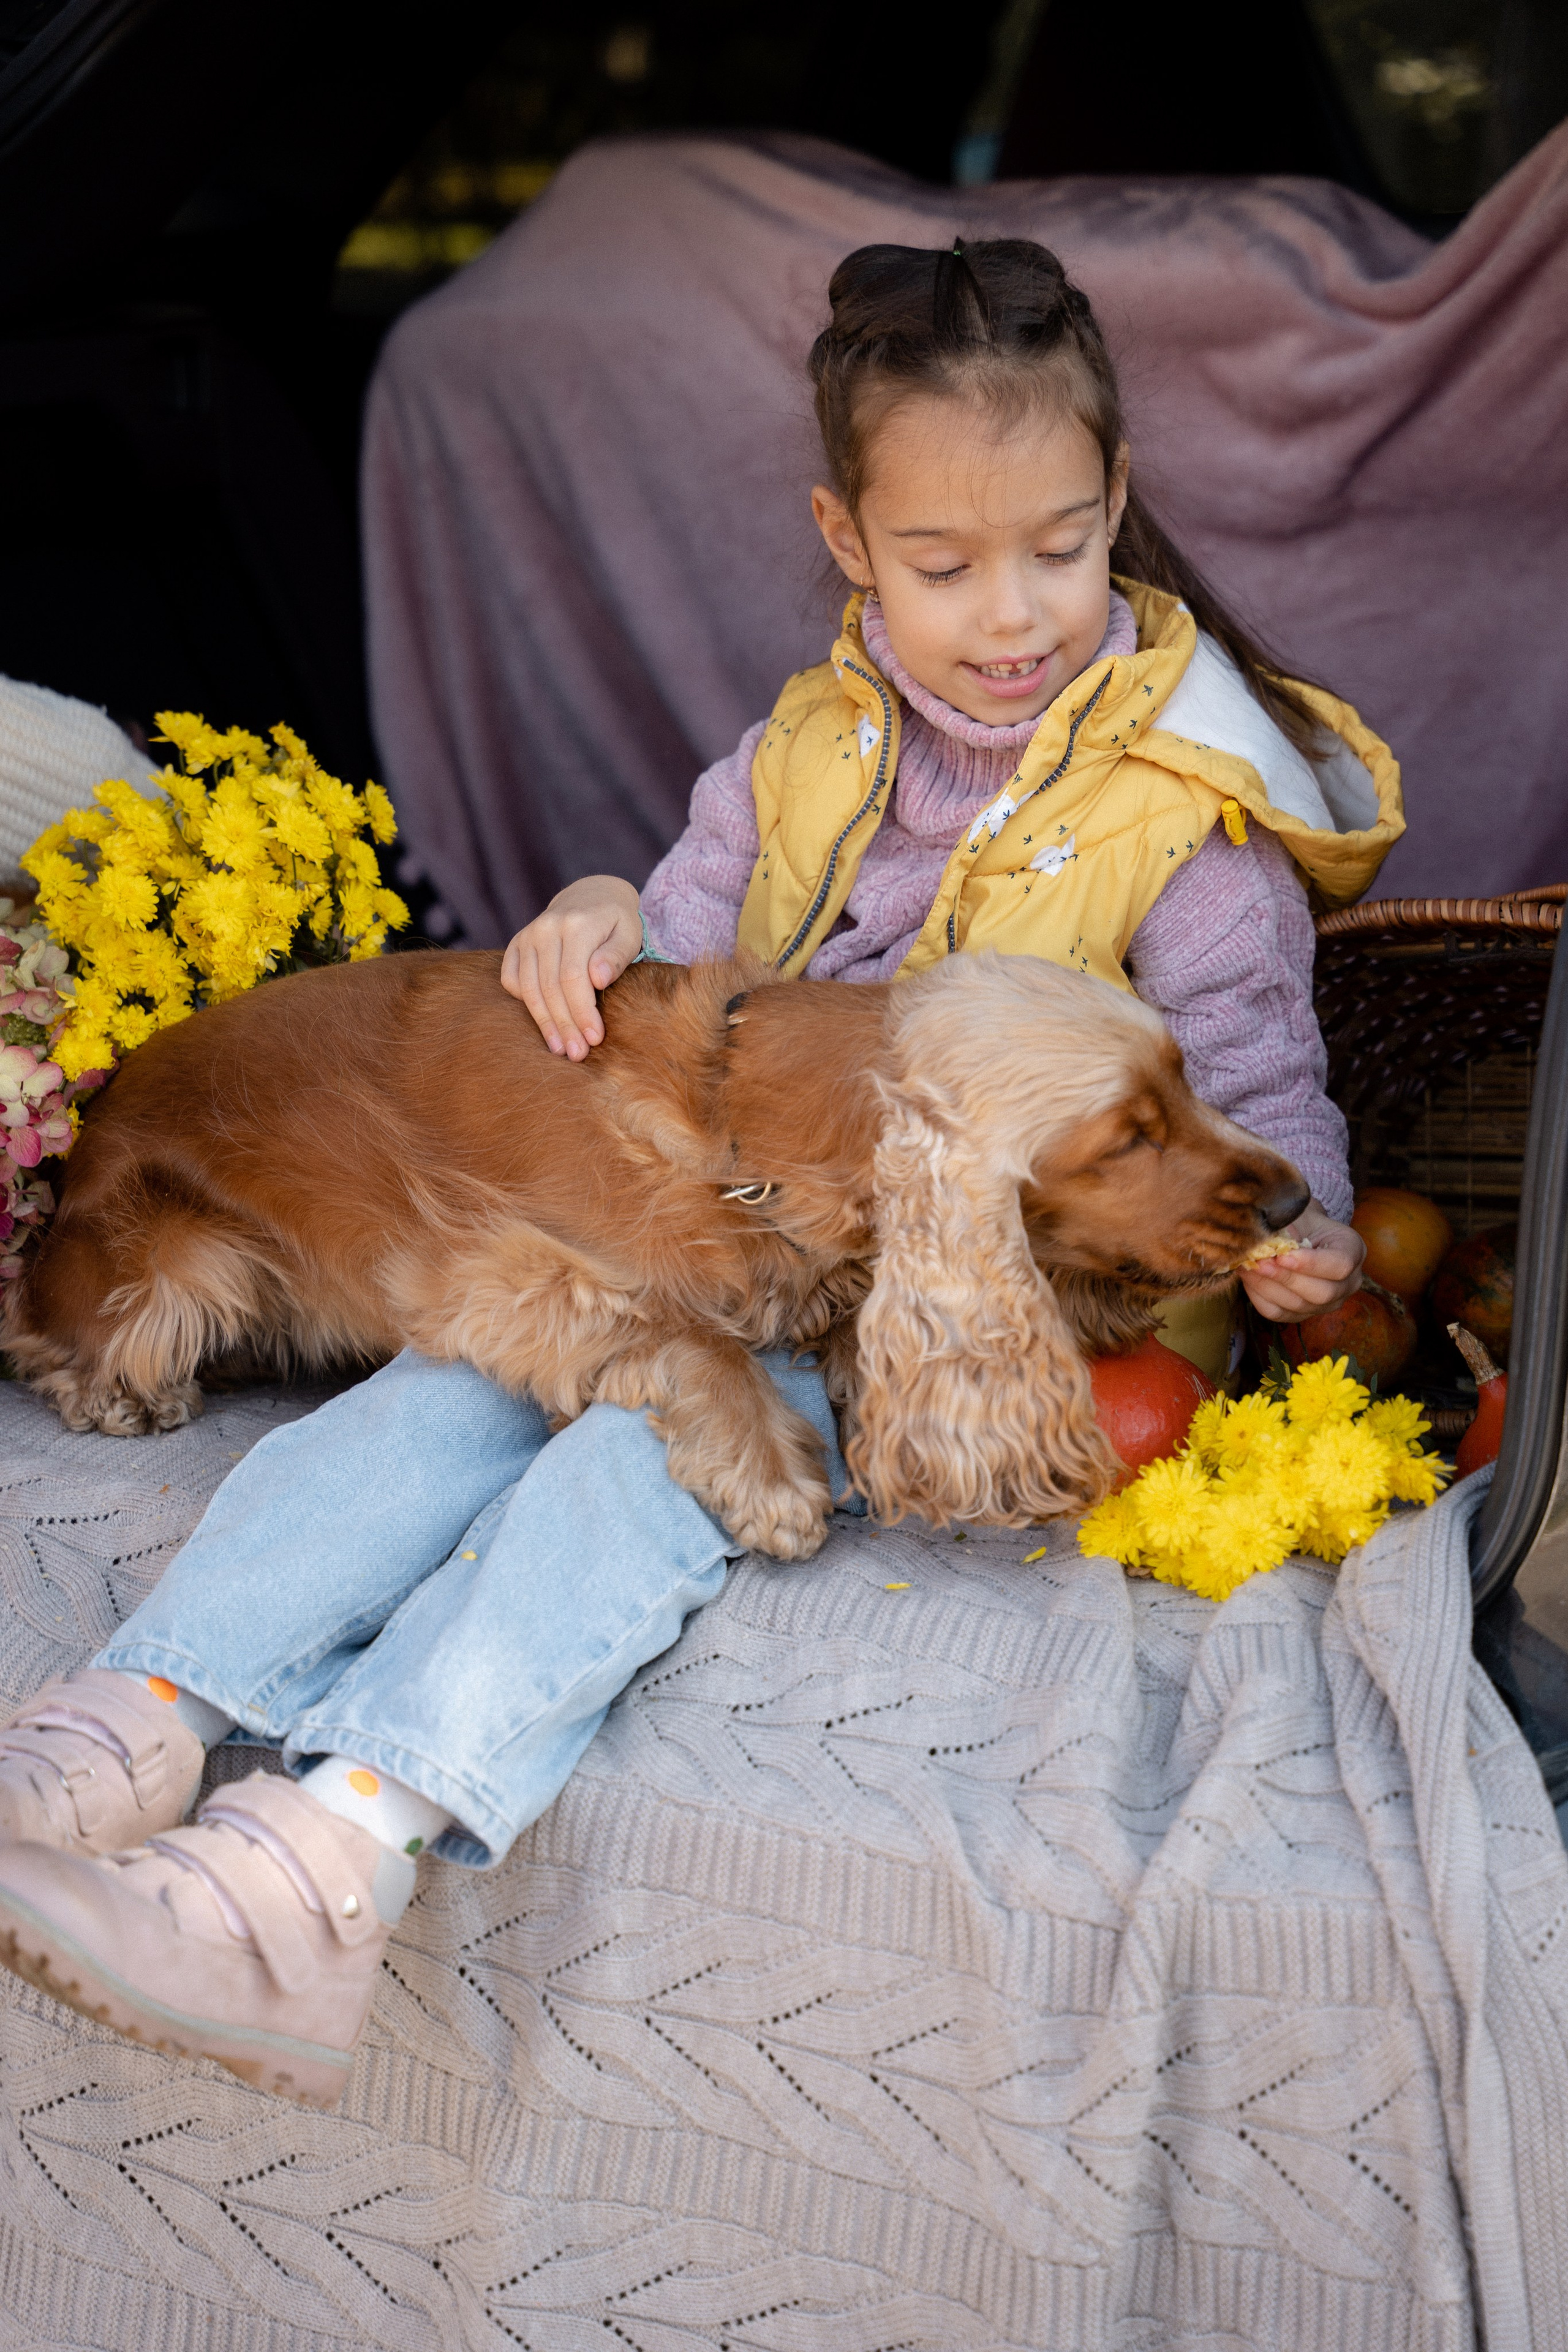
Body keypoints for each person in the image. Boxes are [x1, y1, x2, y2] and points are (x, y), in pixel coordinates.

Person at [0, 239, 1395, 2106]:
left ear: (1118, 507)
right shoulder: (805, 749)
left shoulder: (1196, 832)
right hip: (749, 1232)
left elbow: (1258, 1098)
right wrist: (592, 913)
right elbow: (673, 947)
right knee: (441, 1398)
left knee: (640, 1466)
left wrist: (1290, 1218)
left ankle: (324, 1864)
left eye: (1059, 551)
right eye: (943, 564)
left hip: (963, 1311)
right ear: (847, 538)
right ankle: (127, 1718)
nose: (1010, 615)